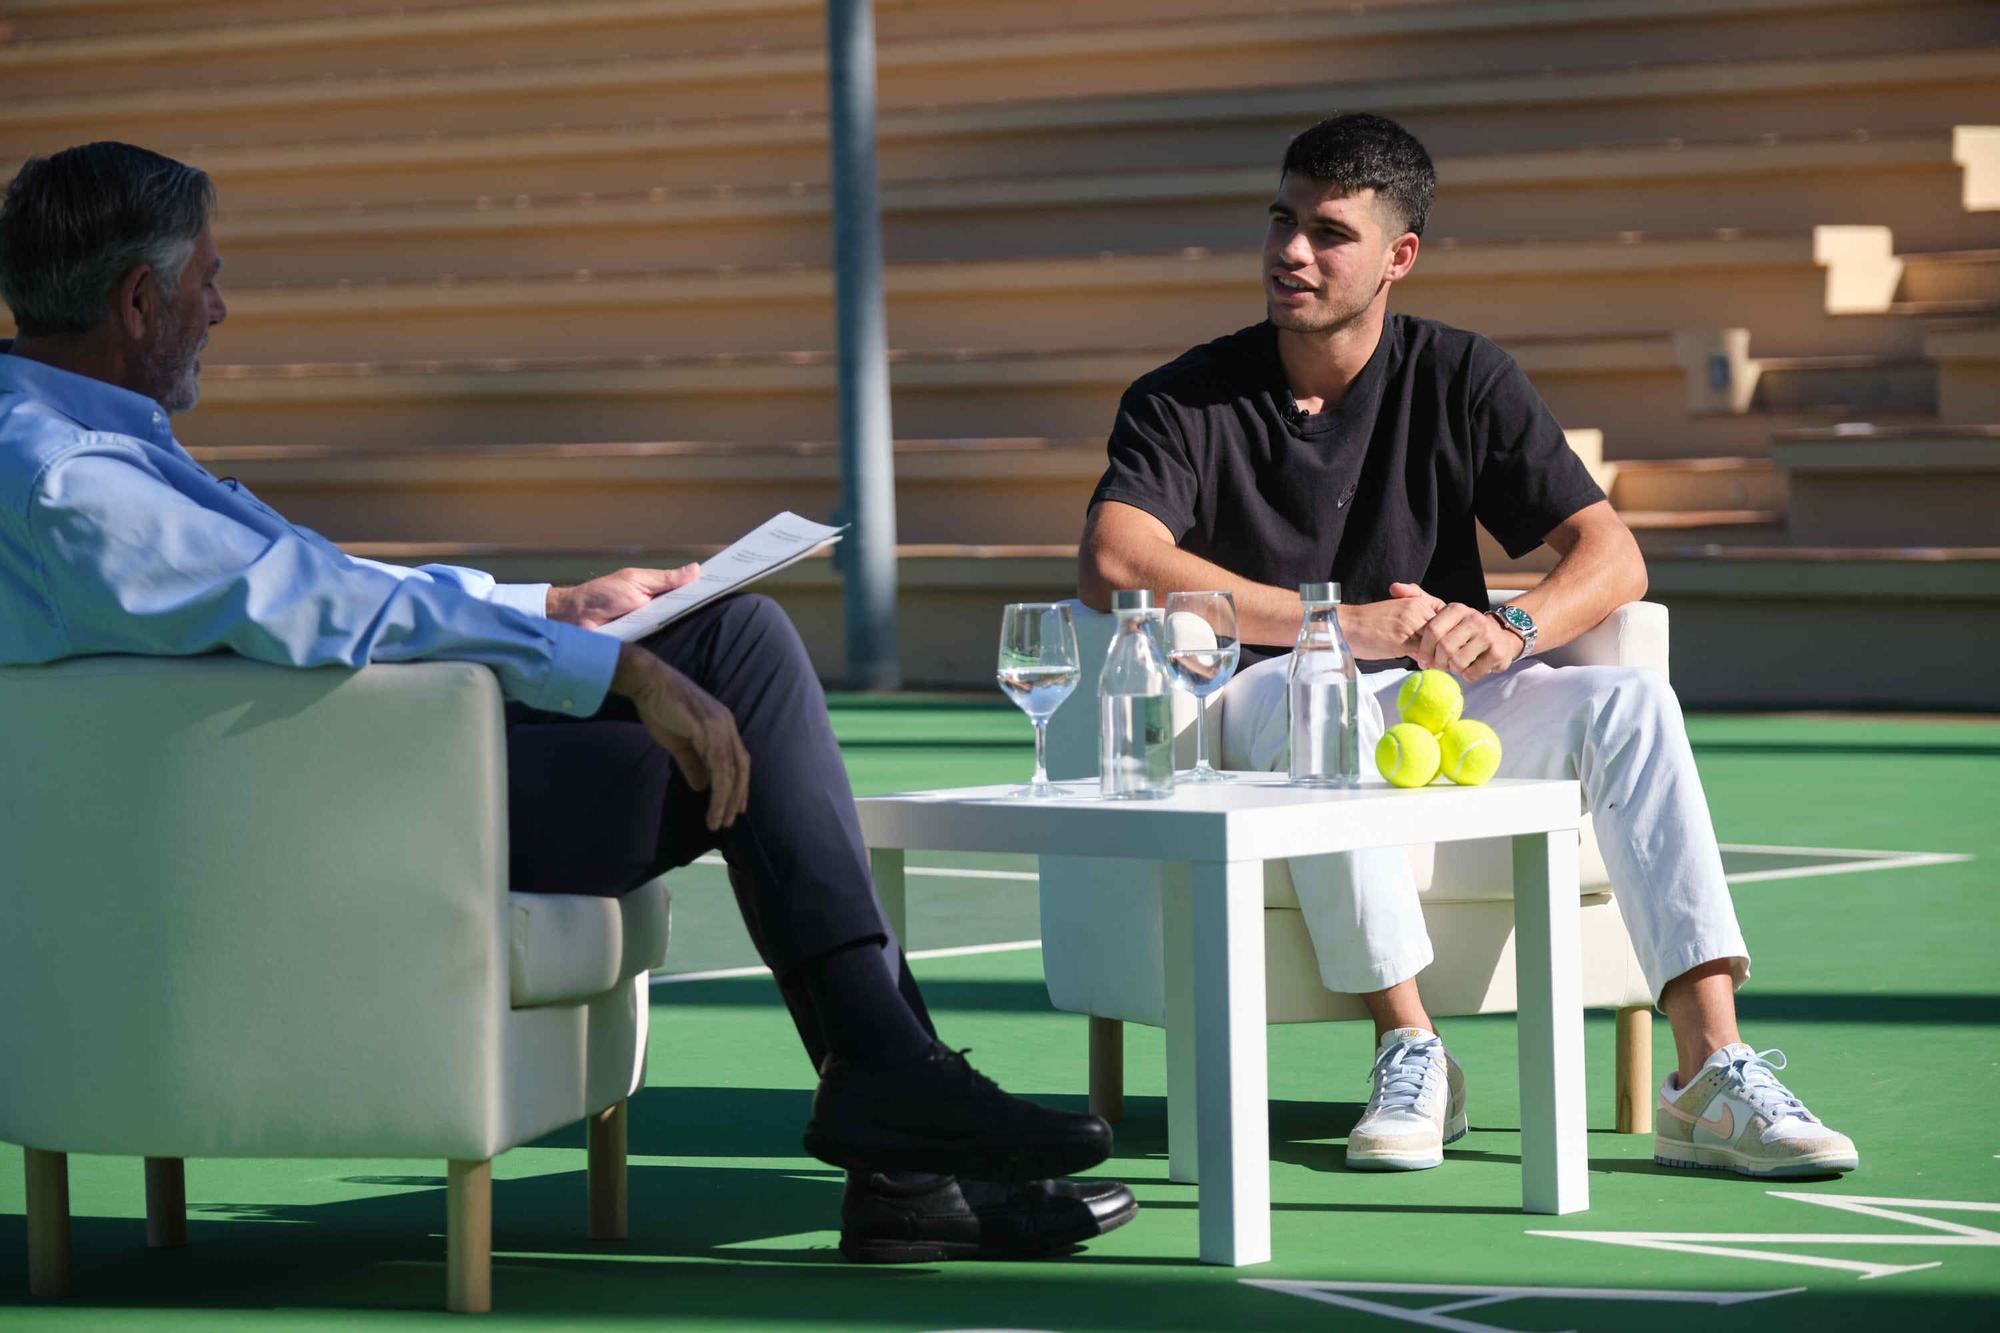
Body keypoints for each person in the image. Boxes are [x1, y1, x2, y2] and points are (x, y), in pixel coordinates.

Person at [0, 142, 1136, 1263]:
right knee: (723, 708)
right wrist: (611, 666)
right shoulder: (73, 484)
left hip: (329, 786)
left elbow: (327, 589)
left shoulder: (75, 448)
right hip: (325, 838)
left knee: (729, 637)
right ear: (140, 301)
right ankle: (898, 1123)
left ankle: (898, 1120)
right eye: (207, 277)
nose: (223, 306)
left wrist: (557, 603)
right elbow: (322, 604)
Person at [1077, 113, 1858, 1180]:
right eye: (1279, 220)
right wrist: (1331, 625)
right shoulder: (1184, 397)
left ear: (1397, 256)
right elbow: (1116, 561)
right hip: (1251, 705)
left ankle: (1708, 1070)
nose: (1289, 252)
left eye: (1326, 232)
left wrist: (1508, 628)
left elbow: (1611, 556)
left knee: (1630, 703)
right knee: (1324, 696)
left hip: (1440, 699)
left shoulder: (1461, 375)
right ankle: (1411, 1048)